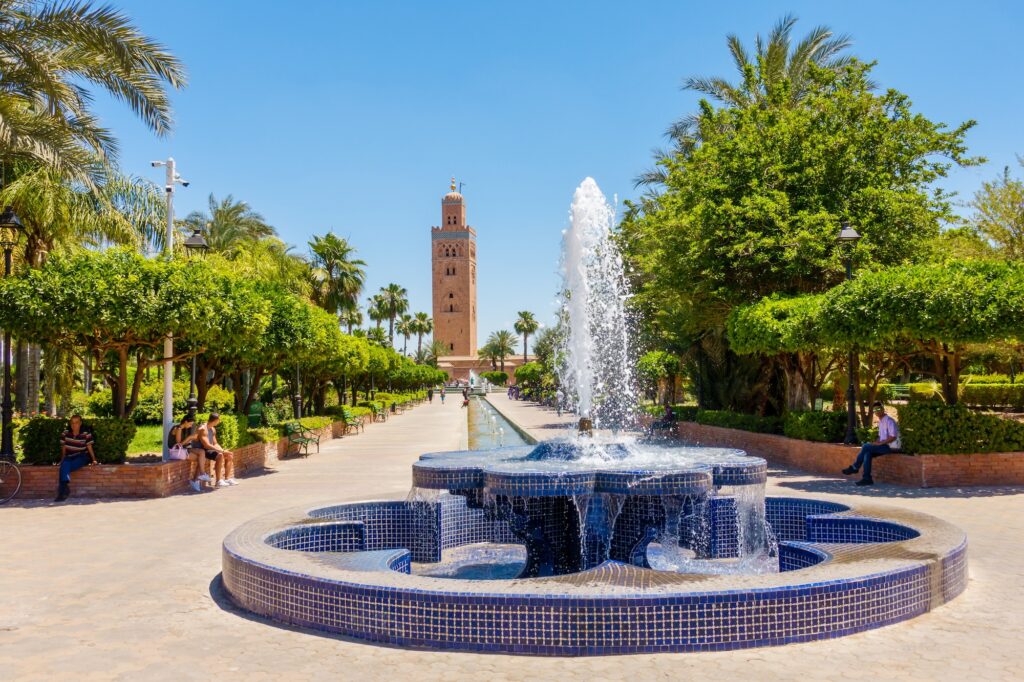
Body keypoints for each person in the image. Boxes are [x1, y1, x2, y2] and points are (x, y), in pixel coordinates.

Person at [843, 402, 902, 486]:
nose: (877, 411)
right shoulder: (881, 421)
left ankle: (855, 467)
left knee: (866, 446)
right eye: (875, 410)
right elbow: (882, 437)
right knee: (867, 453)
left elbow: (893, 436)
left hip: (891, 447)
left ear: (883, 409)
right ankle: (867, 479)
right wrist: (876, 442)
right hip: (884, 445)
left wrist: (880, 443)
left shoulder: (889, 421)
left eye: (878, 409)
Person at [55, 414, 96, 502]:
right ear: (70, 424)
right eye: (72, 423)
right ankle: (64, 489)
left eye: (76, 422)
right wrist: (62, 459)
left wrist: (94, 459)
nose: (74, 425)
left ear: (80, 423)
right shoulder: (65, 433)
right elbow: (64, 448)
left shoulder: (85, 433)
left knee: (65, 467)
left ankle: (62, 493)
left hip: (82, 456)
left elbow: (89, 447)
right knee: (64, 464)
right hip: (69, 456)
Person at [168, 415, 210, 493]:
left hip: (183, 449)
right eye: (190, 424)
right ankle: (197, 478)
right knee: (201, 459)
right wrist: (189, 438)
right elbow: (179, 444)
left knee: (202, 453)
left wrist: (196, 433)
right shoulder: (178, 428)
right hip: (177, 451)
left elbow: (193, 439)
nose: (191, 426)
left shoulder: (183, 428)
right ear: (186, 422)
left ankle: (201, 475)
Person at [197, 413, 237, 487]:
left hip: (211, 449)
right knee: (220, 455)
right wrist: (221, 452)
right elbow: (206, 445)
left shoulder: (212, 429)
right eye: (219, 420)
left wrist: (223, 450)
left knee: (229, 455)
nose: (220, 421)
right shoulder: (203, 429)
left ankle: (227, 479)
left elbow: (215, 443)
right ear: (215, 420)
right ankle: (218, 481)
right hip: (204, 450)